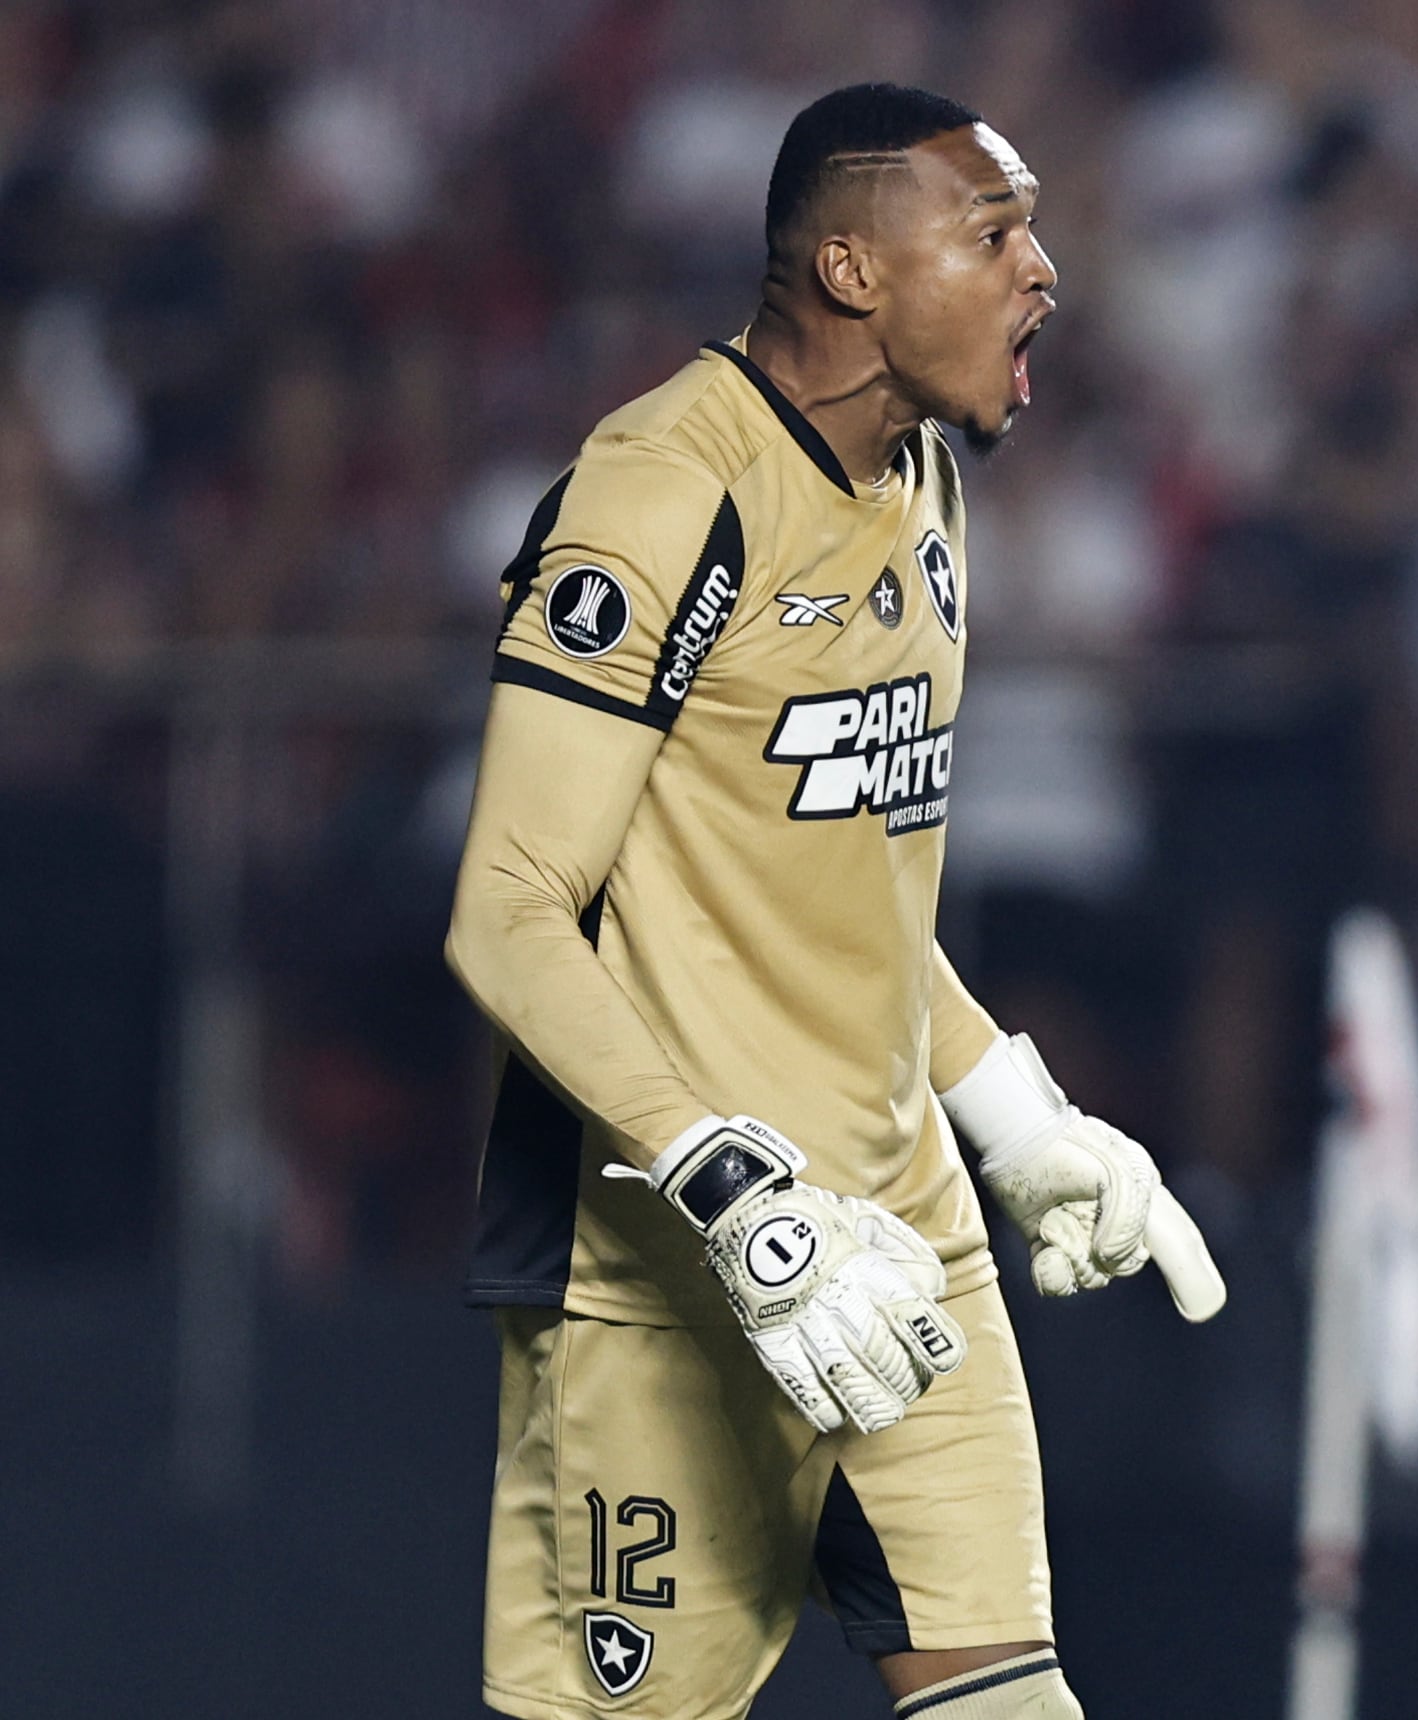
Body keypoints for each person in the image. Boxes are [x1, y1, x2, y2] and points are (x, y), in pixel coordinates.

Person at [445, 84, 1223, 1720]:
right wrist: (735, 1189)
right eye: (998, 232)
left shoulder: (927, 488)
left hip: (899, 1247)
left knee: (1011, 1697)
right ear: (857, 271)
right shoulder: (667, 487)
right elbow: (509, 904)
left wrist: (1013, 1117)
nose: (1047, 273)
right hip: (665, 1266)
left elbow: (845, 893)